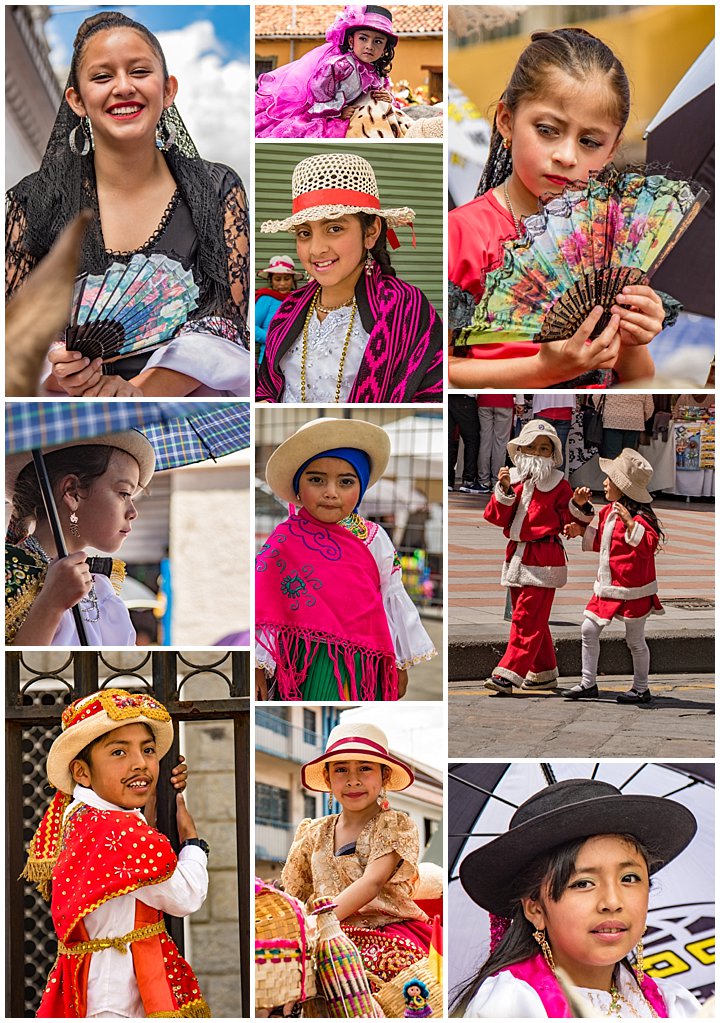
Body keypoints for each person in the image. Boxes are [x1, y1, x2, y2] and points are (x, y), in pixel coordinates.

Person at [6, 10, 250, 398]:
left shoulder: (217, 190)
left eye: (139, 72)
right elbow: (16, 334)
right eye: (102, 77)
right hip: (65, 414)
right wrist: (60, 372)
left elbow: (228, 320)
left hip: (174, 408)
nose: (123, 87)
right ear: (77, 100)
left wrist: (138, 390)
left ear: (168, 90)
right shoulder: (32, 203)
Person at [448, 28, 666, 389]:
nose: (566, 156)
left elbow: (638, 377)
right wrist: (542, 371)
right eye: (548, 130)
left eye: (590, 141)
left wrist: (634, 337)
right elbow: (439, 371)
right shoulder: (462, 235)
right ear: (507, 121)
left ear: (611, 150)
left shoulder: (612, 241)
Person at [23, 688, 210, 1017]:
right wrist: (193, 843)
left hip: (93, 983)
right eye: (119, 753)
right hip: (119, 994)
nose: (140, 763)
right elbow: (185, 896)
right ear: (81, 771)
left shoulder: (79, 813)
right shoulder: (118, 830)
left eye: (148, 750)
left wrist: (160, 797)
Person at [453, 777, 700, 1017]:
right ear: (535, 909)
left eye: (629, 879)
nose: (612, 902)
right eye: (583, 883)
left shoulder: (673, 1004)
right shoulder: (513, 1005)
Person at [255, 418, 437, 700]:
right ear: (297, 486)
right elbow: (264, 608)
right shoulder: (283, 540)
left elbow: (391, 596)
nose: (331, 492)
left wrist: (400, 663)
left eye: (346, 482)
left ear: (361, 486)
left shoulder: (374, 538)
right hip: (305, 660)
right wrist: (257, 664)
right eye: (316, 479)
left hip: (367, 662)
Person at [256, 152, 443, 403]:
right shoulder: (289, 310)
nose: (316, 249)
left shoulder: (405, 308)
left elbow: (431, 396)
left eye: (334, 228)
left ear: (371, 231)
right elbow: (266, 387)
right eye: (304, 233)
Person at [282, 722, 433, 988]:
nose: (353, 780)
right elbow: (296, 894)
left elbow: (371, 883)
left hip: (383, 935)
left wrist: (317, 924)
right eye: (341, 770)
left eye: (365, 768)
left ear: (384, 776)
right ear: (328, 779)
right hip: (320, 938)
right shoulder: (312, 832)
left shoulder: (394, 825)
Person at [6, 430, 155, 646]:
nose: (133, 512)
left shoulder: (102, 590)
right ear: (72, 492)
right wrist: (51, 605)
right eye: (123, 493)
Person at [482, 420, 593, 693]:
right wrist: (505, 490)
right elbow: (497, 517)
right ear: (521, 449)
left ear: (552, 454)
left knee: (525, 618)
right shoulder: (516, 480)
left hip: (544, 556)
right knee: (535, 619)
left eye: (544, 448)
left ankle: (509, 673)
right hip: (518, 554)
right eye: (532, 447)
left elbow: (572, 517)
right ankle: (543, 672)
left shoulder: (559, 484)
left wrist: (578, 505)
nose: (537, 452)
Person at [563, 449, 665, 704]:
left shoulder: (641, 518)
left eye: (610, 478)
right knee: (588, 629)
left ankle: (641, 688)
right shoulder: (609, 511)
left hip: (634, 589)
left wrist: (632, 525)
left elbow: (647, 547)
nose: (605, 482)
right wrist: (580, 531)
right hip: (608, 587)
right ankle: (588, 682)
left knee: (635, 640)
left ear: (623, 486)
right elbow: (605, 542)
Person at [255, 5, 401, 139]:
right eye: (363, 38)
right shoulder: (338, 66)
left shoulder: (377, 75)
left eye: (378, 41)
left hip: (357, 116)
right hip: (324, 118)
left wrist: (387, 98)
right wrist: (338, 113)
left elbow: (382, 98)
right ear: (351, 41)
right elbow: (317, 97)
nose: (369, 46)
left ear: (384, 49)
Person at [255, 254, 299, 365]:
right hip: (269, 360)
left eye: (287, 279)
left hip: (294, 362)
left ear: (293, 280)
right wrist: (273, 339)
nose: (282, 283)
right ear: (271, 281)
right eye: (277, 279)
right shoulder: (266, 299)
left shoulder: (298, 300)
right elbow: (252, 328)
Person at [595, 393, 656, 459]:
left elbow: (596, 397)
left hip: (612, 419)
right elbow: (649, 406)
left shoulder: (607, 382)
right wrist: (642, 418)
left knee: (613, 456)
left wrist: (602, 411)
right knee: (629, 457)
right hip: (634, 421)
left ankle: (615, 468)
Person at [448, 394, 481, 493]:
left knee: (449, 440)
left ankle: (448, 480)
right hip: (465, 397)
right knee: (472, 440)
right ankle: (468, 480)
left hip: (447, 396)